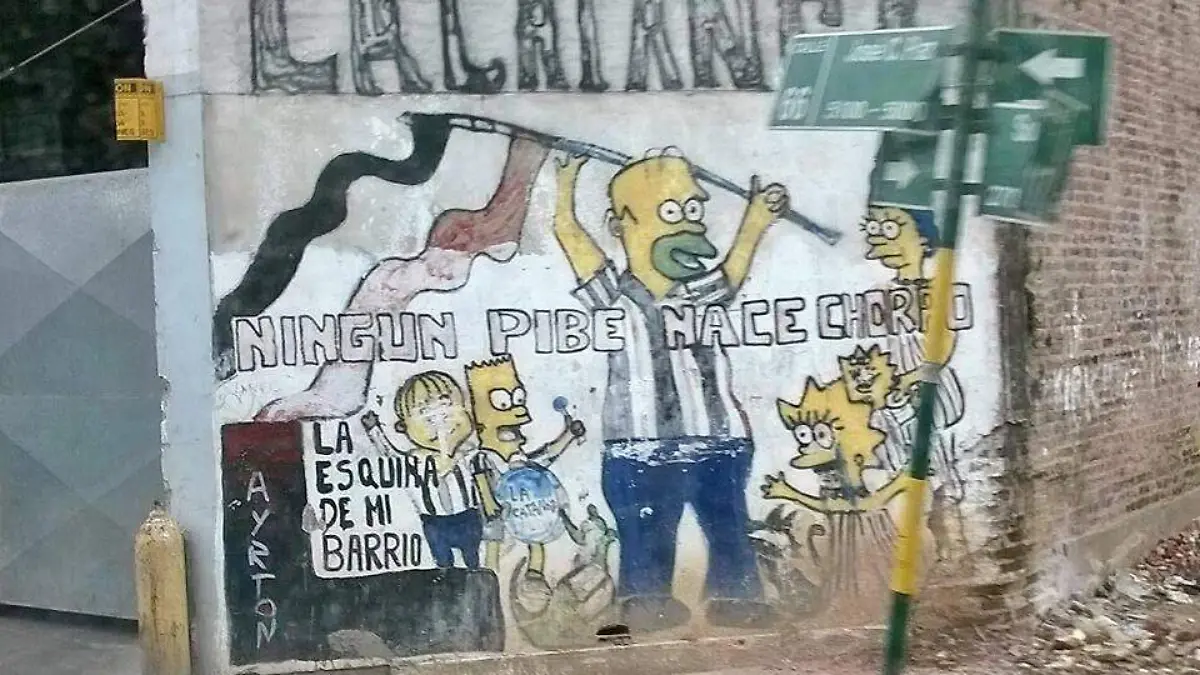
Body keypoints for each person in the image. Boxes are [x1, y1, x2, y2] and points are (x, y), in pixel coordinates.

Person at [550, 148, 789, 631]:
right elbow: (569, 234)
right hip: (637, 443)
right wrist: (567, 183)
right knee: (644, 529)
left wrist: (757, 218)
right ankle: (645, 599)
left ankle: (736, 596)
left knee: (727, 524)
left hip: (716, 436)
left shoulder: (700, 291)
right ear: (619, 225)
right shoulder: (613, 294)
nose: (688, 224)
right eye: (670, 212)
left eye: (692, 210)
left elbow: (734, 268)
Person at [361, 371, 487, 569]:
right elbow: (390, 455)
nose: (440, 422)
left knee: (472, 556)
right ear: (404, 426)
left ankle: (474, 573)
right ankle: (447, 579)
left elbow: (484, 474)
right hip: (434, 520)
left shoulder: (469, 454)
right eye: (425, 414)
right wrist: (374, 430)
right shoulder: (415, 460)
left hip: (467, 516)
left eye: (447, 407)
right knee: (443, 561)